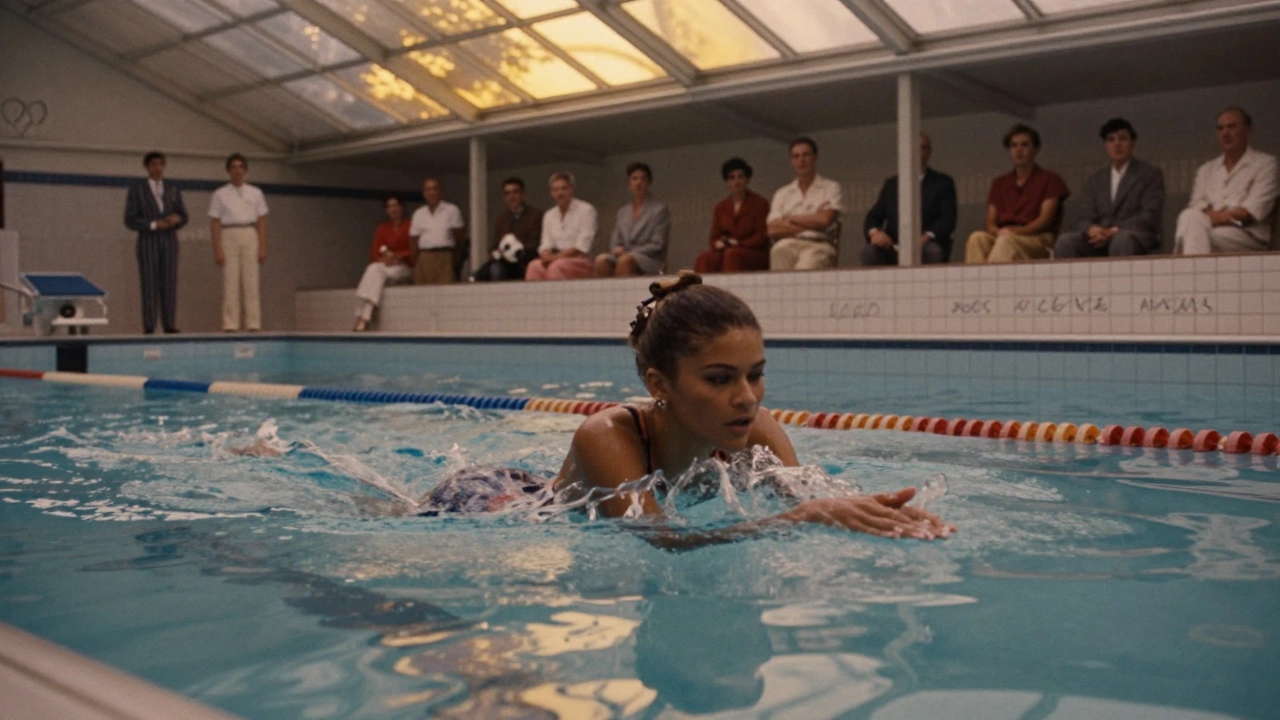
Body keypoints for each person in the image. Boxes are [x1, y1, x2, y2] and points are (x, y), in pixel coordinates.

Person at [549, 271, 953, 549]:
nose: (747, 397)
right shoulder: (607, 437)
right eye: (719, 379)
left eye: (755, 374)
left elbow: (808, 499)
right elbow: (660, 539)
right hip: (528, 505)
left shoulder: (755, 427)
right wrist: (800, 519)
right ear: (659, 384)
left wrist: (867, 512)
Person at [1055, 118, 1165, 259]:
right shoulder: (1096, 180)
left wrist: (1112, 231)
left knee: (1121, 240)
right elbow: (1084, 217)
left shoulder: (1150, 174)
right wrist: (1092, 230)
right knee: (1066, 242)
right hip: (1100, 240)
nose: (1117, 144)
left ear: (1133, 143)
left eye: (1123, 139)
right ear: (1105, 145)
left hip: (1136, 236)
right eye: (1111, 140)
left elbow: (1149, 215)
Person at [1175, 107, 1278, 255]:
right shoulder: (1205, 170)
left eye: (1232, 127)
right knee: (1190, 219)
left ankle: (1188, 269)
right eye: (1220, 128)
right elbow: (1196, 207)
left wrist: (1208, 216)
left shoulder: (1266, 164)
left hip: (1247, 235)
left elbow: (1249, 214)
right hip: (1207, 229)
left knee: (1191, 229)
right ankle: (1194, 269)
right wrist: (1222, 215)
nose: (1225, 133)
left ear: (1247, 130)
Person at [965, 124, 1069, 264]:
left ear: (1036, 149)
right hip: (1004, 234)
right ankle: (977, 278)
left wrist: (1015, 232)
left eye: (1024, 145)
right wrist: (998, 232)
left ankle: (992, 277)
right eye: (1014, 146)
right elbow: (990, 222)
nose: (1018, 150)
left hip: (1037, 237)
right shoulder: (999, 182)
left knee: (1006, 241)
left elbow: (1045, 220)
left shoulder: (1050, 178)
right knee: (976, 238)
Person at [862, 133, 957, 265]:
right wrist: (875, 233)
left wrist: (927, 236)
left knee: (933, 251)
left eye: (922, 148)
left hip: (926, 244)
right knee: (869, 251)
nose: (917, 153)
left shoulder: (942, 182)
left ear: (929, 152)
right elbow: (873, 216)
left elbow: (947, 220)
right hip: (894, 246)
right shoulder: (892, 185)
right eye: (913, 148)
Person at [124, 150, 187, 334]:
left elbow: (184, 215)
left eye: (160, 164)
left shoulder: (173, 189)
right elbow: (129, 219)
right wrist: (152, 224)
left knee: (169, 282)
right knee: (149, 283)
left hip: (169, 240)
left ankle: (169, 324)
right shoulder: (137, 190)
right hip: (148, 240)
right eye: (153, 165)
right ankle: (149, 325)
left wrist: (177, 220)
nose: (157, 168)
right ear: (147, 167)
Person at [209, 153, 268, 332]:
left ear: (245, 170)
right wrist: (218, 249)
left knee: (251, 281)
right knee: (230, 282)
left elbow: (261, 221)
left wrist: (262, 247)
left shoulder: (255, 193)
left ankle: (253, 323)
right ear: (228, 170)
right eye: (234, 167)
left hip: (250, 232)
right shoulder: (220, 194)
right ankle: (230, 324)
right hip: (229, 233)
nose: (237, 171)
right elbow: (215, 222)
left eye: (240, 167)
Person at [768, 137, 844, 271]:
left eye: (805, 155)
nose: (801, 160)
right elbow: (772, 229)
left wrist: (790, 219)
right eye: (796, 156)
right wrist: (813, 221)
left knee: (805, 268)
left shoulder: (831, 187)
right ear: (791, 161)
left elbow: (825, 220)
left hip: (819, 244)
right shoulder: (782, 193)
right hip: (787, 243)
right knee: (777, 251)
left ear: (815, 158)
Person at [694, 157, 770, 273]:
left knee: (732, 255)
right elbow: (714, 238)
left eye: (740, 176)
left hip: (754, 253)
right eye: (732, 177)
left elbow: (761, 237)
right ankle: (701, 285)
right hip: (727, 250)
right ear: (727, 182)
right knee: (704, 258)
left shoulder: (760, 203)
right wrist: (719, 244)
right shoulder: (720, 207)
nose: (736, 181)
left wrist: (739, 244)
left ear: (747, 179)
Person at [595, 163, 670, 277]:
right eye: (634, 179)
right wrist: (616, 249)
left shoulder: (659, 210)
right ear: (629, 183)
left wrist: (630, 253)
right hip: (625, 255)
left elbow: (657, 244)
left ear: (649, 182)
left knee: (625, 261)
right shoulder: (623, 211)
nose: (638, 182)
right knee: (601, 260)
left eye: (643, 178)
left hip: (650, 259)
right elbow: (615, 239)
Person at [352, 195, 413, 332]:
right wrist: (384, 260)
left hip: (404, 266)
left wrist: (398, 256)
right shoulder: (382, 228)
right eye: (390, 206)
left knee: (376, 272)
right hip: (386, 266)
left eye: (395, 205)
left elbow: (414, 250)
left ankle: (360, 317)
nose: (393, 209)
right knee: (373, 268)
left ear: (401, 207)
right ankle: (365, 317)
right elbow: (374, 252)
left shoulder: (410, 225)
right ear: (386, 210)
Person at [526, 172, 596, 281]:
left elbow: (581, 246)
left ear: (571, 190)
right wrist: (546, 255)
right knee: (534, 266)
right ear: (551, 194)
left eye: (564, 188)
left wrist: (554, 258)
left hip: (580, 261)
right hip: (555, 259)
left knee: (557, 267)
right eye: (556, 190)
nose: (560, 193)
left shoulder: (586, 210)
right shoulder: (549, 215)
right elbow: (545, 244)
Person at [472, 177, 543, 282]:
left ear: (523, 194)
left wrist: (513, 250)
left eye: (515, 192)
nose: (511, 197)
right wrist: (494, 252)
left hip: (525, 262)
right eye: (507, 193)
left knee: (495, 269)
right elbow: (497, 244)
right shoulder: (501, 219)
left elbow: (535, 243)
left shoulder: (535, 215)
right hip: (504, 264)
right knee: (494, 268)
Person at [409, 178, 466, 285]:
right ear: (424, 193)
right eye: (428, 190)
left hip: (444, 256)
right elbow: (413, 241)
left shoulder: (452, 210)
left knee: (445, 290)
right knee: (423, 291)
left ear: (441, 191)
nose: (431, 193)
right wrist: (415, 263)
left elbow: (459, 239)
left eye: (434, 189)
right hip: (424, 257)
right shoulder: (418, 213)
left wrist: (455, 262)